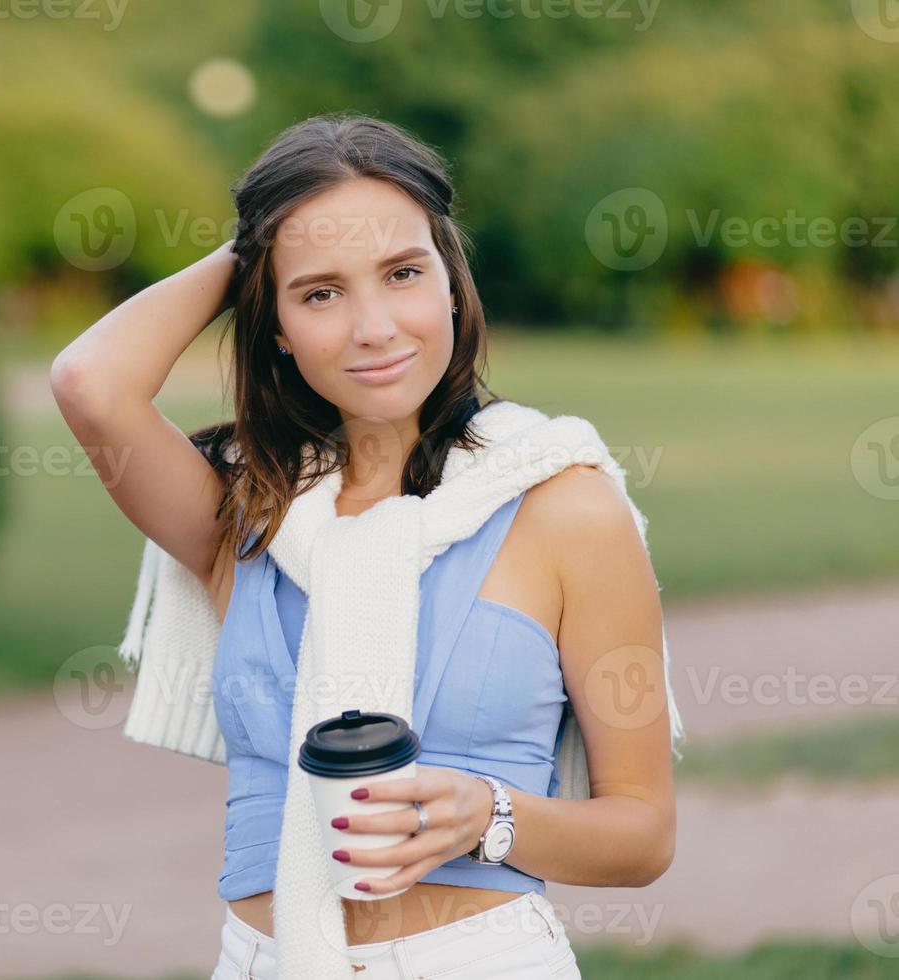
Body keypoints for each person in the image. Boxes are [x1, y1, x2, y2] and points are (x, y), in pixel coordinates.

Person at [51, 113, 676, 979]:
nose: (374, 326)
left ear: (452, 283)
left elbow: (642, 834)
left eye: (403, 272)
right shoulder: (246, 512)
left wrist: (487, 813)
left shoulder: (564, 503)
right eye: (320, 293)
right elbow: (90, 383)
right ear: (273, 320)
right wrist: (261, 243)